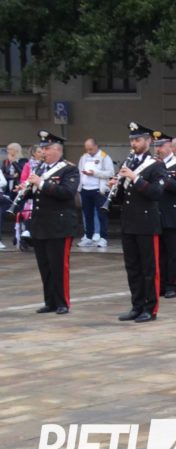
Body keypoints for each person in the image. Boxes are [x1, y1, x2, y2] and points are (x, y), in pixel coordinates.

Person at [111, 122, 167, 323]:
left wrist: (135, 178)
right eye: (132, 140)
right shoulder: (128, 163)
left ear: (148, 141)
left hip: (146, 222)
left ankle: (150, 309)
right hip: (129, 222)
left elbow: (156, 192)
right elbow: (122, 198)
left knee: (149, 269)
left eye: (138, 140)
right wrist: (115, 186)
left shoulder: (157, 165)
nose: (134, 143)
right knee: (133, 267)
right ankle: (137, 305)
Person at [28, 131, 80, 315]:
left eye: (47, 149)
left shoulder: (69, 169)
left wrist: (41, 184)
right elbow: (36, 194)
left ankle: (62, 302)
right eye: (42, 149)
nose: (43, 152)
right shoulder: (40, 169)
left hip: (59, 225)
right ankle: (50, 301)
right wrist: (25, 190)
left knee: (58, 266)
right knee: (45, 266)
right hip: (40, 224)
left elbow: (67, 193)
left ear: (57, 150)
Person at [153, 131, 176, 299]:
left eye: (161, 146)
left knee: (173, 253)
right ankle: (161, 284)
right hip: (156, 213)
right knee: (159, 253)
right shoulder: (153, 164)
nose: (158, 149)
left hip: (173, 214)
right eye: (156, 146)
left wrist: (163, 179)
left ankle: (173, 285)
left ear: (170, 146)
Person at [77, 139, 114, 249]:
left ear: (96, 146)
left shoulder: (104, 157)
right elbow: (79, 172)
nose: (89, 151)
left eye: (91, 149)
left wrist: (95, 173)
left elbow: (110, 173)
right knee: (87, 214)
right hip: (85, 189)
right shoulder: (84, 157)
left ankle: (103, 237)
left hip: (99, 190)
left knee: (102, 214)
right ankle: (88, 236)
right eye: (87, 149)